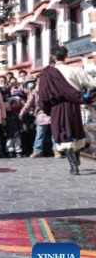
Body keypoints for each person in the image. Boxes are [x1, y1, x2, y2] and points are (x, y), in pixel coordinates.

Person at [38, 46, 96, 174]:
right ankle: (76, 159)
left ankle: (73, 165)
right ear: (66, 56)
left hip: (57, 109)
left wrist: (46, 109)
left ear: (53, 57)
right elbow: (93, 84)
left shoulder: (47, 74)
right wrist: (85, 98)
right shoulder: (75, 70)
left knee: (63, 133)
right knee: (74, 132)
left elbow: (43, 95)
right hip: (74, 107)